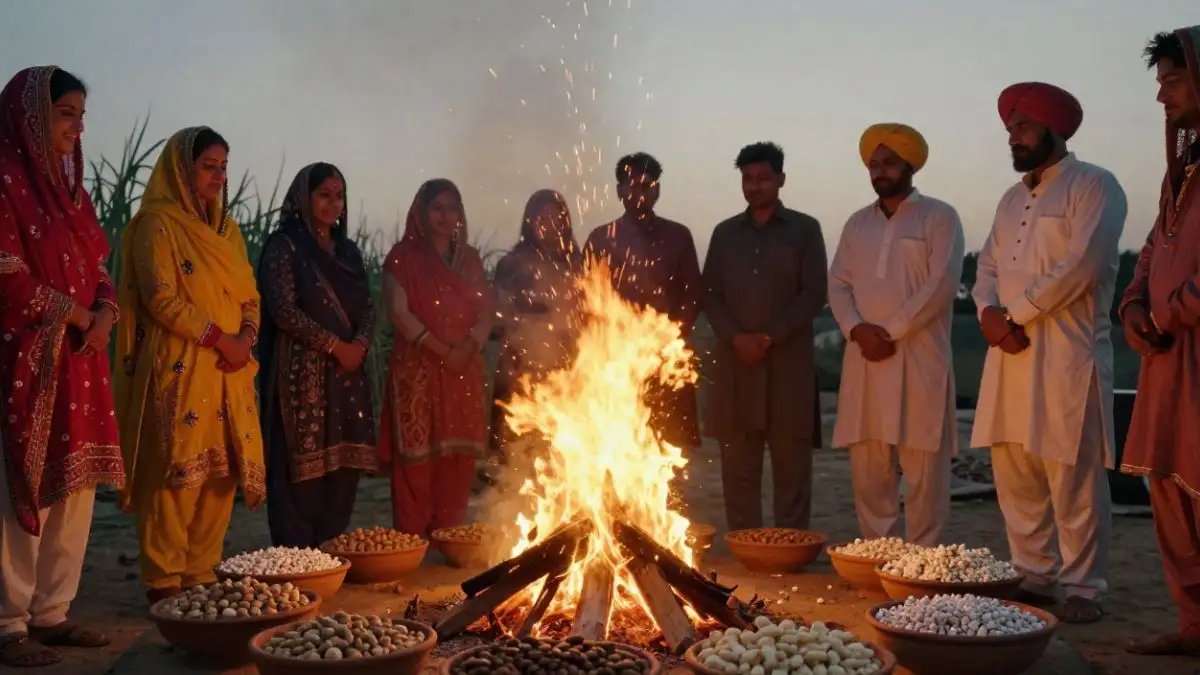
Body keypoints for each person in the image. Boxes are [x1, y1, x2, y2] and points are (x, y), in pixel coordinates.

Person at [970, 83, 1126, 623]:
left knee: (1072, 472)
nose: (1013, 138)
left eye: (1023, 128)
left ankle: (1084, 585)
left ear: (1054, 130)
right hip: (1007, 352)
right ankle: (1035, 575)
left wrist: (1016, 315)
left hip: (1066, 353)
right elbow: (986, 266)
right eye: (1011, 129)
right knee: (1015, 466)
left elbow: (1083, 266)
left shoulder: (1095, 186)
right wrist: (988, 313)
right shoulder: (1012, 198)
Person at [0, 66, 123, 667]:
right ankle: (7, 622)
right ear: (30, 115)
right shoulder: (3, 181)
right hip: (25, 361)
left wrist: (103, 311)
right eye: (66, 112)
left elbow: (99, 262)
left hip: (79, 358)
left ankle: (52, 613)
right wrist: (77, 313)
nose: (78, 125)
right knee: (20, 488)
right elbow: (7, 276)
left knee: (75, 486)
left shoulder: (73, 190)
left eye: (81, 114)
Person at [114, 127, 264, 604]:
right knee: (174, 475)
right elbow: (159, 297)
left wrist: (246, 338)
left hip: (229, 370)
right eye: (208, 165)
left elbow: (250, 295)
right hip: (180, 365)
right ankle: (163, 581)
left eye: (223, 166)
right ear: (182, 167)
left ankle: (199, 574)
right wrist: (220, 339)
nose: (218, 175)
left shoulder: (229, 231)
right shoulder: (156, 225)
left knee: (221, 474)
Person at [828, 124, 962, 546]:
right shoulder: (856, 224)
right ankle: (878, 557)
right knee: (870, 469)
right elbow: (837, 284)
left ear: (910, 165)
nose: (880, 171)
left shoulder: (940, 217)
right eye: (874, 164)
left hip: (919, 358)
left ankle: (923, 564)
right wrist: (856, 330)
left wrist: (890, 331)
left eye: (889, 162)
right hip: (865, 358)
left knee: (924, 471)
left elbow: (940, 285)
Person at [1120, 25, 1200, 657]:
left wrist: (1171, 312)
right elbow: (1153, 247)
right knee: (1167, 487)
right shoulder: (1181, 169)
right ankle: (1194, 624)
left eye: (1172, 81)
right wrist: (1132, 304)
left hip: (1195, 352)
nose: (1161, 97)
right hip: (1166, 359)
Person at [703, 142, 827, 531]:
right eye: (747, 179)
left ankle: (789, 553)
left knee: (791, 469)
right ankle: (746, 551)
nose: (754, 186)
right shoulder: (725, 235)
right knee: (739, 469)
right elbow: (710, 293)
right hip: (737, 370)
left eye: (762, 178)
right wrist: (737, 338)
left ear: (780, 180)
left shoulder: (805, 230)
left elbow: (814, 293)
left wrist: (769, 337)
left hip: (788, 370)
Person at [257, 163, 377, 549]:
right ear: (303, 197)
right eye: (324, 194)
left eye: (339, 195)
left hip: (347, 377)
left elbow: (369, 307)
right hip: (301, 376)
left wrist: (358, 346)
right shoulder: (285, 246)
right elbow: (283, 309)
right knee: (301, 471)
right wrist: (335, 346)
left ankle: (327, 554)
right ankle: (294, 558)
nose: (333, 203)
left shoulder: (348, 252)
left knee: (343, 469)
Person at [380, 179, 490, 536]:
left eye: (451, 208)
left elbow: (486, 312)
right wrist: (445, 352)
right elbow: (399, 313)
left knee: (457, 461)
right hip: (419, 370)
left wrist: (467, 349)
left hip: (464, 371)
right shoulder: (403, 257)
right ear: (421, 212)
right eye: (437, 208)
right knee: (417, 462)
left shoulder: (470, 259)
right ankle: (411, 547)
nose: (445, 216)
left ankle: (450, 540)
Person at [582, 153, 702, 458]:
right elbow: (583, 299)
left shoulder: (678, 236)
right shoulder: (600, 238)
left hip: (665, 360)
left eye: (648, 186)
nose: (640, 192)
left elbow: (693, 294)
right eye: (632, 185)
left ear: (658, 190)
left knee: (667, 456)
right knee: (612, 451)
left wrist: (669, 337)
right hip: (613, 364)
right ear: (619, 190)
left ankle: (659, 507)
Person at [491, 189, 580, 457]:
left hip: (567, 366)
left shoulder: (578, 263)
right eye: (542, 219)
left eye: (556, 218)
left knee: (563, 448)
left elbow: (589, 312)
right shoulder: (511, 264)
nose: (549, 225)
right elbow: (499, 316)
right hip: (520, 366)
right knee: (518, 445)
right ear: (529, 223)